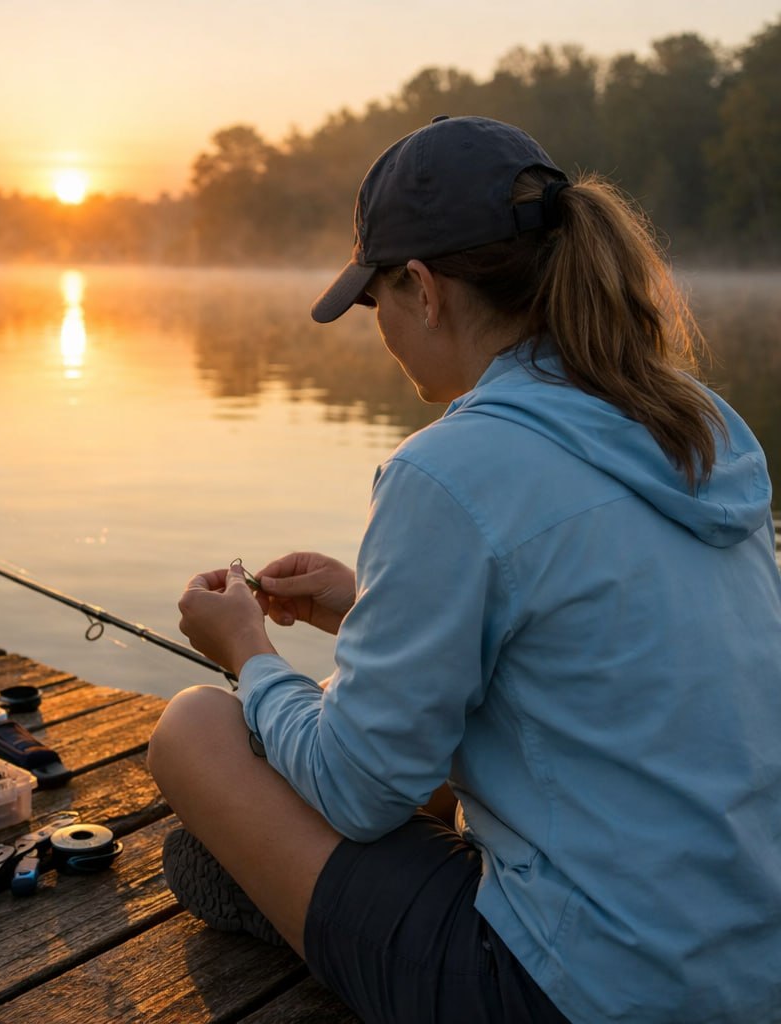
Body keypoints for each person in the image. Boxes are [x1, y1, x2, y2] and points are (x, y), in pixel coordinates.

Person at [146, 115, 781, 1023]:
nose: (382, 330)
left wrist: (245, 652)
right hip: (753, 973)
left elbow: (360, 795)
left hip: (576, 996)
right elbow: (600, 643)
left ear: (422, 287)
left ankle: (267, 892)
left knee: (194, 731)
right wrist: (364, 609)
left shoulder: (452, 468)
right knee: (397, 729)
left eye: (375, 303)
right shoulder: (699, 427)